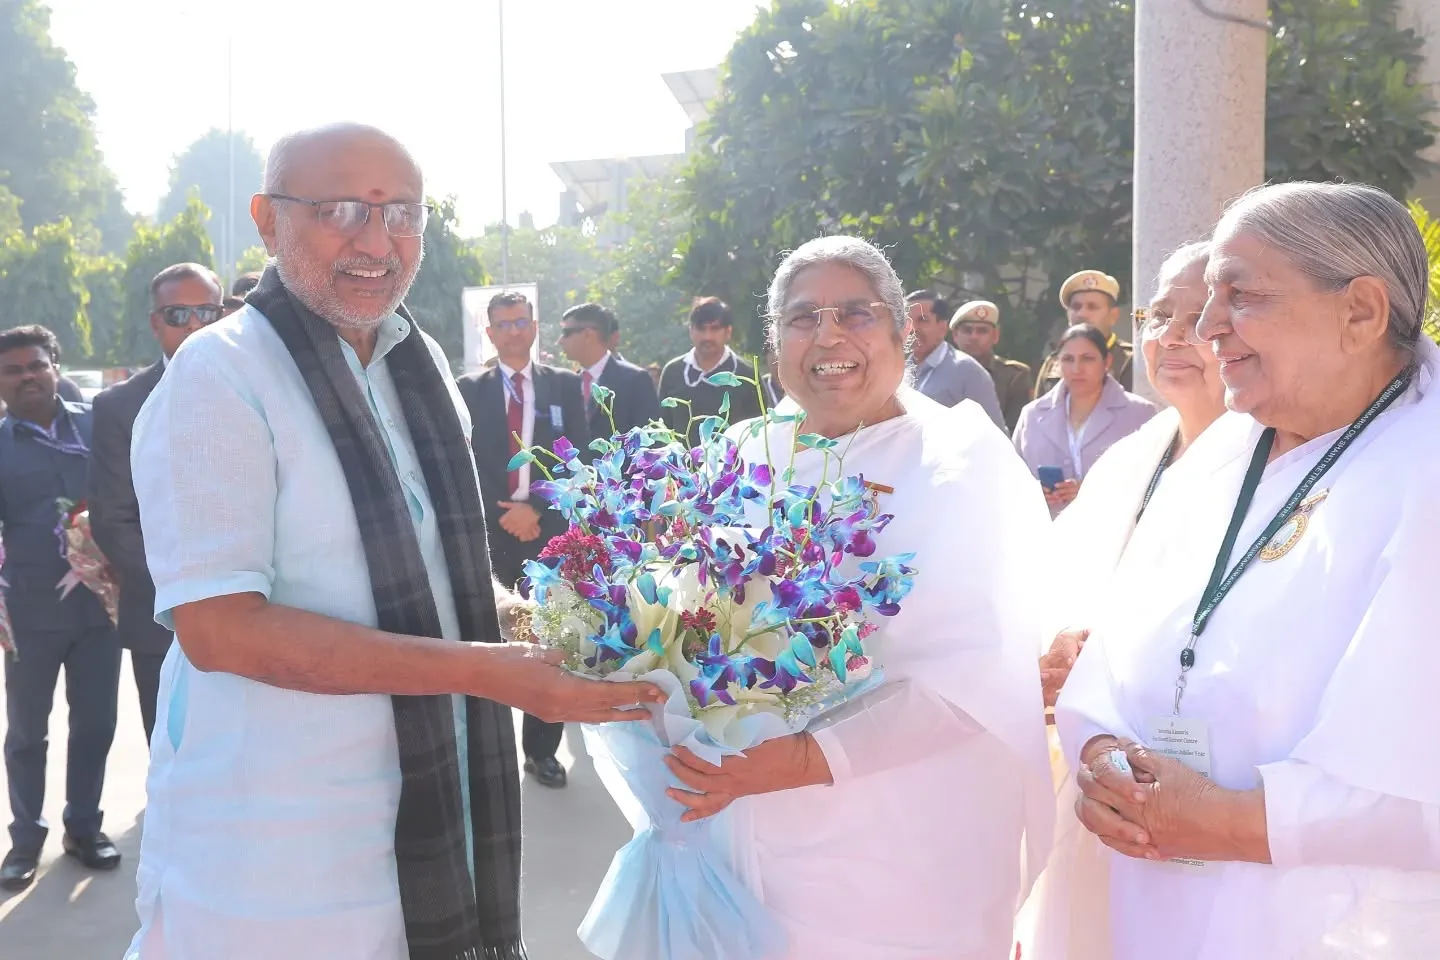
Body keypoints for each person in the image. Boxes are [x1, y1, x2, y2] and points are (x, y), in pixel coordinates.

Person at [123, 123, 661, 960]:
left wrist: (584, 630)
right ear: (267, 220)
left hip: (428, 806)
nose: (378, 242)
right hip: (281, 843)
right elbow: (220, 629)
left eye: (402, 213)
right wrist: (488, 671)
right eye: (340, 210)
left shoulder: (418, 361)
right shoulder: (219, 374)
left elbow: (443, 576)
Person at [1058, 181, 1440, 960]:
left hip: (1331, 924)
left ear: (1361, 312)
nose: (1204, 327)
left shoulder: (1424, 465)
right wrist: (1101, 755)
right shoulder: (1225, 451)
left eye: (1243, 295)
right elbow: (1115, 650)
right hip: (1159, 899)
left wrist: (1232, 821)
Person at [663, 236, 1054, 959]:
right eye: (803, 317)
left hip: (904, 849)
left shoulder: (961, 459)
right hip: (741, 834)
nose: (829, 336)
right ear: (774, 340)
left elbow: (978, 670)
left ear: (903, 331)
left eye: (856, 314)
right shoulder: (740, 452)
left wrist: (808, 759)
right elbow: (682, 618)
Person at [1016, 241, 1226, 960]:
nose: (1172, 336)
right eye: (1160, 313)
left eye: (1199, 317)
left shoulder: (1287, 457)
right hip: (1097, 759)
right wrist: (1059, 650)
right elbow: (1062, 579)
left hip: (1205, 783)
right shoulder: (1139, 451)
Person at [0, 325, 121, 891]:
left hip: (100, 611)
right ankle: (25, 840)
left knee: (96, 724)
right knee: (27, 733)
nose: (27, 376)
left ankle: (84, 827)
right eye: (13, 370)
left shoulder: (98, 426)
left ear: (56, 366)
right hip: (28, 616)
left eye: (36, 365)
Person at [456, 291, 589, 790]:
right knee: (484, 640)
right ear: (489, 334)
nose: (513, 331)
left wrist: (537, 509)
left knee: (551, 636)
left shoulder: (566, 386)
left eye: (520, 321)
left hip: (547, 534)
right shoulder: (468, 389)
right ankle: (487, 753)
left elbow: (577, 458)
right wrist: (507, 512)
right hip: (490, 533)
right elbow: (464, 460)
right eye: (502, 324)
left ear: (534, 327)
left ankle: (541, 751)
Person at [90, 263, 224, 746]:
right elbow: (112, 521)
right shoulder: (118, 407)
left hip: (262, 611)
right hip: (161, 614)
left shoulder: (265, 390)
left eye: (206, 312)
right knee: (171, 749)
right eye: (178, 313)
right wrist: (190, 587)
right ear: (155, 322)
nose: (193, 325)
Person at [1012, 324, 1156, 515]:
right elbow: (1011, 480)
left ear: (1107, 362)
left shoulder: (1139, 414)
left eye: (1087, 359)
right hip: (1046, 535)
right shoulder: (1032, 415)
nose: (1076, 369)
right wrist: (1033, 493)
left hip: (1114, 535)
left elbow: (1154, 484)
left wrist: (1091, 493)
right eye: (1068, 359)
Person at [658, 297, 764, 443]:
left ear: (728, 331)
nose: (707, 336)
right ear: (691, 330)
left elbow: (760, 429)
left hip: (733, 464)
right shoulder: (673, 372)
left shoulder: (746, 375)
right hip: (682, 465)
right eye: (701, 329)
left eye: (715, 329)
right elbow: (663, 428)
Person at [558, 301, 661, 439]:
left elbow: (649, 441)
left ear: (588, 335)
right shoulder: (568, 384)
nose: (560, 341)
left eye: (566, 333)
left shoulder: (635, 380)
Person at [904, 289, 1005, 427]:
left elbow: (995, 435)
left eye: (923, 320)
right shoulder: (897, 371)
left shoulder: (967, 371)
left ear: (942, 328)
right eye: (907, 321)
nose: (912, 328)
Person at [1034, 270, 1135, 395]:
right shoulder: (1054, 362)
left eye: (1092, 307)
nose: (1082, 314)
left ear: (1113, 316)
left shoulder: (1131, 361)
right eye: (1076, 307)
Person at [950, 299, 1034, 432]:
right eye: (967, 330)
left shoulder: (1014, 375)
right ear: (955, 335)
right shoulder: (941, 372)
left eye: (982, 331)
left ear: (995, 336)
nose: (974, 337)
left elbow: (1016, 428)